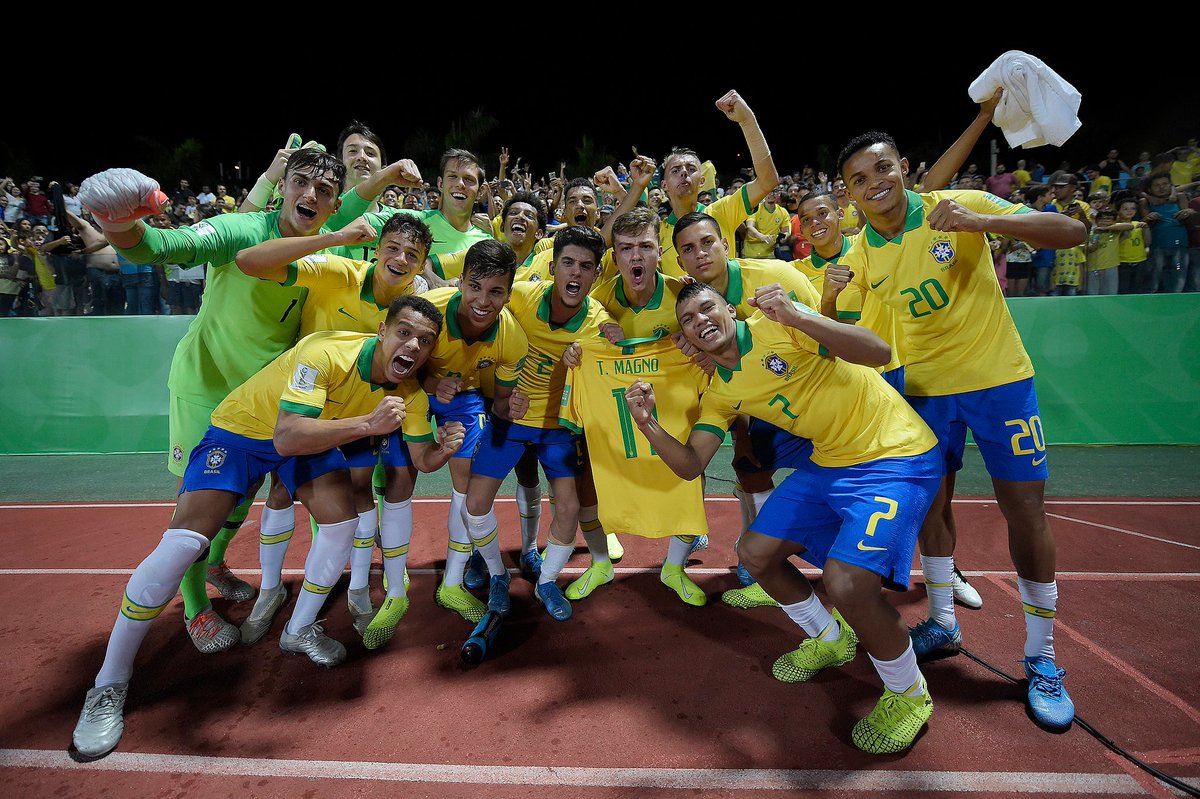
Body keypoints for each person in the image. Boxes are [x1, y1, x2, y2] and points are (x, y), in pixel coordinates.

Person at [71, 296, 464, 761]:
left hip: (309, 439)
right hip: (244, 432)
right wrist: (366, 423)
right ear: (382, 330)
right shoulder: (325, 353)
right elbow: (285, 435)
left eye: (424, 341)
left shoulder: (411, 393)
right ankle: (109, 684)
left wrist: (441, 451)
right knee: (184, 543)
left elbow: (421, 459)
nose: (413, 346)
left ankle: (298, 630)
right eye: (404, 333)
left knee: (342, 524)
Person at [834, 131, 1086, 730]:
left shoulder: (955, 205)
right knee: (931, 507)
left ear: (905, 169)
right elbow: (845, 327)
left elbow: (1073, 233)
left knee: (1024, 509)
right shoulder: (861, 253)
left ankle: (1042, 658)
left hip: (998, 380)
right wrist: (826, 294)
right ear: (851, 195)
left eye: (884, 169)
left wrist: (977, 223)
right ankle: (943, 620)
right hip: (922, 393)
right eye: (860, 180)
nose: (876, 185)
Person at [627, 281, 941, 754]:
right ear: (687, 338)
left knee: (848, 583)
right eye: (688, 320)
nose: (700, 321)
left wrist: (799, 316)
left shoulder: (780, 327)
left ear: (729, 309)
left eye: (706, 308)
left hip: (895, 454)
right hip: (831, 461)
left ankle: (910, 693)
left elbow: (878, 352)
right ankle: (830, 639)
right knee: (754, 554)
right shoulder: (721, 393)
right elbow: (691, 464)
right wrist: (647, 423)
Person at [78, 149, 354, 652]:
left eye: (324, 190)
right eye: (301, 182)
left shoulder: (320, 252)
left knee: (241, 496)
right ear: (283, 186)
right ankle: (194, 608)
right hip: (206, 386)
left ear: (334, 204)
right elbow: (158, 246)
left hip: (259, 397)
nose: (310, 195)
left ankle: (217, 565)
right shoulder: (243, 229)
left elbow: (359, 206)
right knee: (196, 508)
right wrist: (118, 222)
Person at [233, 214, 434, 645]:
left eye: (412, 255)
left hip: (365, 412)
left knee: (358, 492)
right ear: (376, 248)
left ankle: (359, 590)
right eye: (393, 248)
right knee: (281, 491)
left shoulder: (416, 302)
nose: (400, 259)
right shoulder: (339, 270)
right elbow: (248, 261)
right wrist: (336, 237)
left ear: (422, 264)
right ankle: (270, 591)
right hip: (306, 403)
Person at [460, 226, 612, 622]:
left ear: (596, 274)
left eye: (585, 266)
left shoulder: (600, 322)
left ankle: (546, 581)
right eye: (567, 263)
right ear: (552, 266)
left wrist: (613, 340)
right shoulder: (522, 298)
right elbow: (479, 324)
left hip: (558, 427)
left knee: (569, 507)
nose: (575, 274)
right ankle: (496, 572)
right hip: (508, 418)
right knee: (475, 503)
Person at [606, 90, 781, 277]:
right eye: (675, 170)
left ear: (702, 181)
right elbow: (605, 240)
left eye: (691, 169)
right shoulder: (656, 231)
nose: (683, 172)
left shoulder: (722, 212)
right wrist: (636, 186)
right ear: (664, 185)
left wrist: (747, 121)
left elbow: (768, 181)